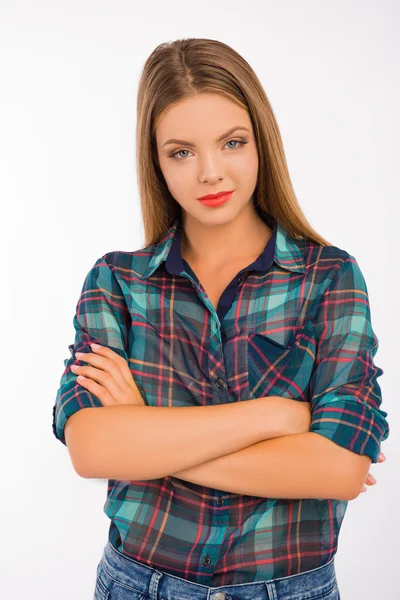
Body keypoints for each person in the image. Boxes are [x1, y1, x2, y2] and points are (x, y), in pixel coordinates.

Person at [52, 38, 390, 600]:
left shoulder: (328, 278)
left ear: (262, 142)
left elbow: (339, 470)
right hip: (139, 585)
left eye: (232, 142)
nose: (210, 172)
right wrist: (277, 415)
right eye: (181, 151)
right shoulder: (118, 282)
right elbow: (92, 449)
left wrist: (146, 433)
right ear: (155, 161)